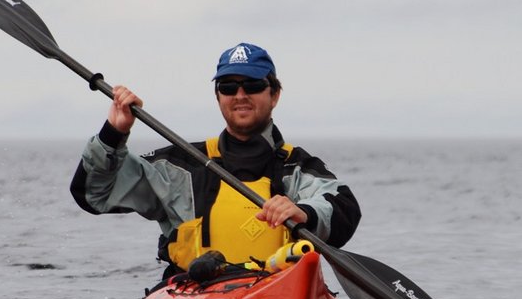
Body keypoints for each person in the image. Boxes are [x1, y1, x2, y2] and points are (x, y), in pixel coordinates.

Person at [70, 42, 361, 278]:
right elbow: (93, 194)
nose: (240, 95)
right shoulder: (179, 167)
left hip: (279, 297)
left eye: (253, 85)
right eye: (229, 87)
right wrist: (114, 132)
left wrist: (305, 212)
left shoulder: (297, 169)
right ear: (218, 96)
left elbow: (343, 206)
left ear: (275, 94)